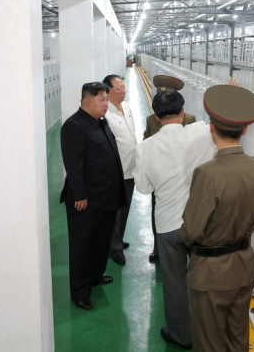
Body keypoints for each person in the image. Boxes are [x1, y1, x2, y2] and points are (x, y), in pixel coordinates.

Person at [180, 84, 254, 352]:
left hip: (211, 273)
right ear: (245, 130)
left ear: (211, 127)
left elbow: (191, 230)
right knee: (237, 339)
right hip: (243, 267)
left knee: (209, 343)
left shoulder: (208, 173)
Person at [134, 89, 216, 350]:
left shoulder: (145, 148)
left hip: (168, 225)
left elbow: (143, 188)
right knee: (205, 280)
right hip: (199, 222)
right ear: (183, 112)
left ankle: (182, 335)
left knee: (174, 283)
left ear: (156, 116)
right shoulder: (201, 133)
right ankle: (209, 332)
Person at [60, 82, 127, 311]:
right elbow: (73, 164)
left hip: (105, 197)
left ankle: (96, 275)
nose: (106, 104)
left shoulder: (100, 121)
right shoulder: (74, 126)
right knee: (82, 246)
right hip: (86, 201)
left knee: (100, 241)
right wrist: (79, 194)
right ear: (87, 101)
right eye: (102, 100)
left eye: (107, 99)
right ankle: (80, 292)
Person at [143, 75, 197, 263]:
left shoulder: (189, 119)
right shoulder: (151, 120)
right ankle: (158, 248)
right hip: (160, 177)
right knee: (157, 212)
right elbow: (146, 140)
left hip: (183, 174)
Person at [102, 74, 138, 266]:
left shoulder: (127, 107)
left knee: (125, 207)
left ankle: (118, 238)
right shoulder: (105, 114)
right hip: (116, 170)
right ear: (108, 91)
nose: (123, 90)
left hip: (131, 167)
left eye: (124, 87)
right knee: (115, 211)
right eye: (119, 88)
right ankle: (114, 247)